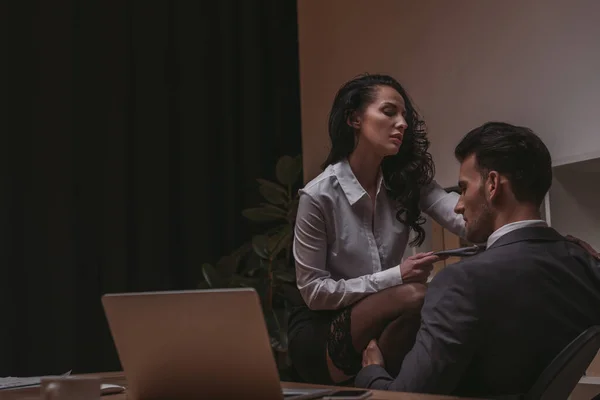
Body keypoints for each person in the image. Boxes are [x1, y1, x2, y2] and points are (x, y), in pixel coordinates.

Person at [356, 122, 600, 398]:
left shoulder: (459, 283)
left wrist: (371, 372)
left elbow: (407, 397)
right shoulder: (586, 264)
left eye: (463, 188)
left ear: (493, 184)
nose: (458, 205)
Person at [287, 73, 466, 385]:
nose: (403, 123)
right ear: (355, 118)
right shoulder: (318, 196)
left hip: (386, 323)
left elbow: (460, 216)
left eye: (405, 117)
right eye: (389, 112)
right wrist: (395, 276)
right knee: (415, 294)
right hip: (323, 329)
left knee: (445, 298)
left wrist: (525, 229)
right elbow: (314, 293)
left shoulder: (407, 181)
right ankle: (374, 374)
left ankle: (375, 376)